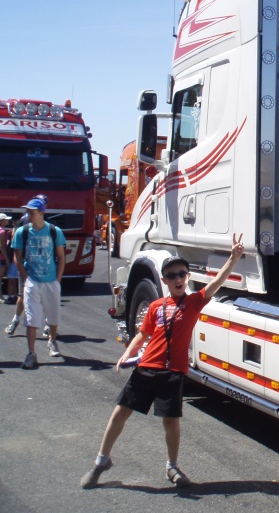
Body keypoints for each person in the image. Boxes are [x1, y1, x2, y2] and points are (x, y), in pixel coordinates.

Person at [81, 233, 245, 489]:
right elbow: (143, 334)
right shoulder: (157, 305)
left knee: (170, 421)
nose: (177, 278)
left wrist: (233, 259)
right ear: (165, 281)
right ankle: (102, 460)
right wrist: (127, 353)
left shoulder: (194, 302)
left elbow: (216, 282)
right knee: (120, 412)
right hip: (147, 367)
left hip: (172, 371)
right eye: (171, 276)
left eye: (181, 274)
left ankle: (172, 466)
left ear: (187, 277)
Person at [12, 198, 66, 368]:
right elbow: (17, 257)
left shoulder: (54, 231)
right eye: (28, 212)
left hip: (50, 281)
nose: (29, 215)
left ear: (42, 213)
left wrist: (57, 280)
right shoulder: (23, 231)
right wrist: (25, 276)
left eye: (32, 212)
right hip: (32, 281)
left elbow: (61, 257)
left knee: (53, 315)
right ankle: (31, 353)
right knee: (31, 318)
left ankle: (52, 341)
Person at [0, 213, 10, 301]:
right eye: (6, 219)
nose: (8, 221)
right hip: (1, 258)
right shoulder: (2, 231)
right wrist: (7, 259)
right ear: (2, 221)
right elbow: (2, 247)